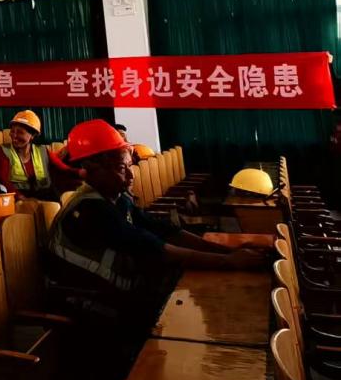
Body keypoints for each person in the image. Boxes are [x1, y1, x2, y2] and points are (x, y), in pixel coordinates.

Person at [48, 119, 265, 326]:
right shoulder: (90, 209)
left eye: (130, 166)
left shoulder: (115, 197)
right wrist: (229, 262)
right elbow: (156, 249)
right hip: (89, 310)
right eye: (122, 169)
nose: (131, 176)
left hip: (118, 296)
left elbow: (161, 229)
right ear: (90, 171)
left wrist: (229, 251)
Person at [0, 110, 79, 200]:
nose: (14, 136)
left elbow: (64, 169)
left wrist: (81, 172)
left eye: (20, 132)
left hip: (45, 196)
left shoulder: (43, 151)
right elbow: (3, 180)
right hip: (16, 199)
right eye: (12, 131)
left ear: (32, 135)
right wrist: (21, 198)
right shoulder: (2, 151)